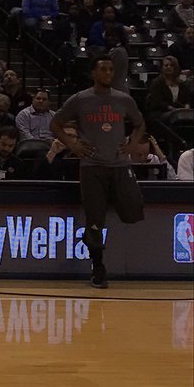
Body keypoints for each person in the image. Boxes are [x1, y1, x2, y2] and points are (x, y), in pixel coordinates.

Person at [51, 55, 146, 289]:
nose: (108, 73)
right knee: (95, 219)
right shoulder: (80, 99)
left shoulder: (123, 99)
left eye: (111, 69)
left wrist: (133, 144)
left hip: (119, 164)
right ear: (93, 73)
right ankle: (98, 266)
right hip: (92, 167)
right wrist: (72, 145)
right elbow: (55, 123)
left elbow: (140, 123)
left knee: (134, 209)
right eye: (103, 69)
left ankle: (101, 219)